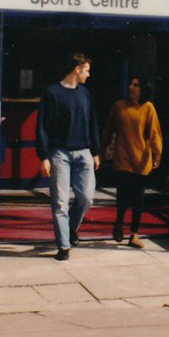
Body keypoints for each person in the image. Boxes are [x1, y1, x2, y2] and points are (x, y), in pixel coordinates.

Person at [36, 52, 100, 260]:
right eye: (87, 70)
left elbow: (92, 123)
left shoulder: (85, 94)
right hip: (59, 153)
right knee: (60, 202)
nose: (89, 75)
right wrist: (43, 156)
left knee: (87, 197)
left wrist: (96, 151)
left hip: (84, 152)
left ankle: (71, 228)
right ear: (77, 69)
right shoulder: (52, 93)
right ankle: (63, 246)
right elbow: (42, 126)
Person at [102, 75, 162, 248]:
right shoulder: (119, 107)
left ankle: (134, 234)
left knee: (138, 198)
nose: (131, 87)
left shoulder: (148, 108)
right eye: (130, 84)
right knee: (122, 195)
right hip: (123, 158)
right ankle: (119, 222)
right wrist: (102, 151)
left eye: (135, 85)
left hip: (141, 160)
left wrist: (157, 154)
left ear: (142, 89)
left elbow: (154, 133)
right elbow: (108, 131)